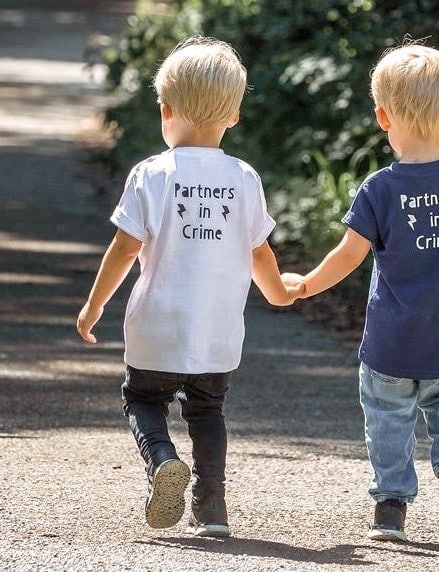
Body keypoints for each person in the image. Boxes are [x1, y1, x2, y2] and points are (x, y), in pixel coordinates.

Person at [283, 43, 439, 542]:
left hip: (391, 342)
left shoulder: (379, 188)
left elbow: (348, 255)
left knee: (388, 418)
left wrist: (305, 285)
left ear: (381, 117)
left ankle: (390, 509)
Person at [77, 36, 303, 537]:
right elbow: (258, 252)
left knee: (143, 401)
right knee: (208, 411)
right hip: (218, 333)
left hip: (157, 327)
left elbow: (124, 249)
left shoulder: (150, 174)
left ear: (166, 109)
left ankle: (162, 462)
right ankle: (212, 507)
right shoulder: (245, 178)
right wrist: (278, 293)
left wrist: (94, 305)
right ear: (235, 115)